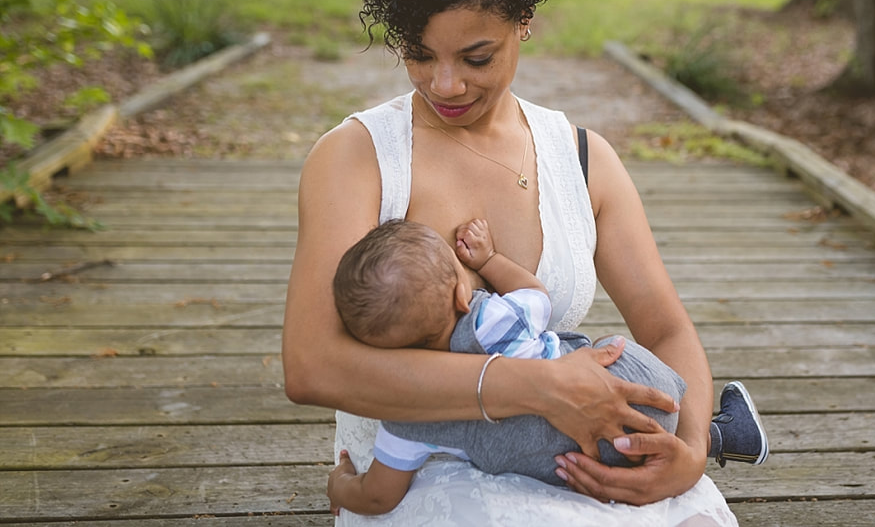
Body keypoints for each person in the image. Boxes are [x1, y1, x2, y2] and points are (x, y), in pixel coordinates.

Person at [282, 0, 747, 525]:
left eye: (477, 57)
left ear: (523, 20)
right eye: (418, 54)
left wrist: (691, 449)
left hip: (582, 458)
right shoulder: (356, 157)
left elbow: (665, 329)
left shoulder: (583, 161)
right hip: (422, 468)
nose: (444, 84)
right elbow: (311, 367)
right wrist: (539, 387)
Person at [326, 218, 768, 516]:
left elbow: (379, 495)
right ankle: (716, 434)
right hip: (638, 400)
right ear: (462, 296)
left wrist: (342, 484)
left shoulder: (407, 412)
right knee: (612, 346)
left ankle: (717, 436)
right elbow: (537, 294)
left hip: (575, 468)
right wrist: (489, 261)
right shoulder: (492, 320)